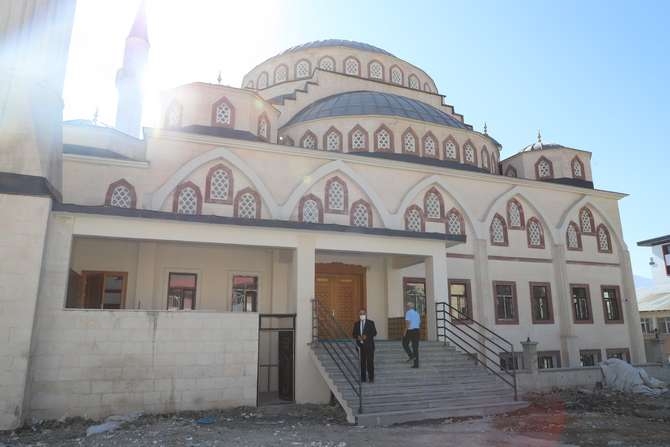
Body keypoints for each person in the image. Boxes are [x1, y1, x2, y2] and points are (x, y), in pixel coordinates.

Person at [352, 309, 377, 383]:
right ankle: (363, 378)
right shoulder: (356, 324)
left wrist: (367, 336)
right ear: (359, 315)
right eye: (360, 314)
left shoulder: (371, 323)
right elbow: (353, 334)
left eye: (363, 313)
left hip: (369, 346)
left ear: (366, 314)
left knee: (370, 362)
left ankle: (371, 378)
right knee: (362, 363)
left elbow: (374, 333)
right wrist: (357, 337)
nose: (362, 315)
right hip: (360, 347)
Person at [402, 301, 421, 368]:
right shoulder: (417, 313)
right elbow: (419, 323)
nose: (406, 307)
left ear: (409, 307)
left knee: (404, 343)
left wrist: (405, 332)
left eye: (407, 306)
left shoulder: (408, 312)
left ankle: (411, 356)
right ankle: (416, 364)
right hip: (417, 331)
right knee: (415, 347)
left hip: (410, 331)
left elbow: (408, 323)